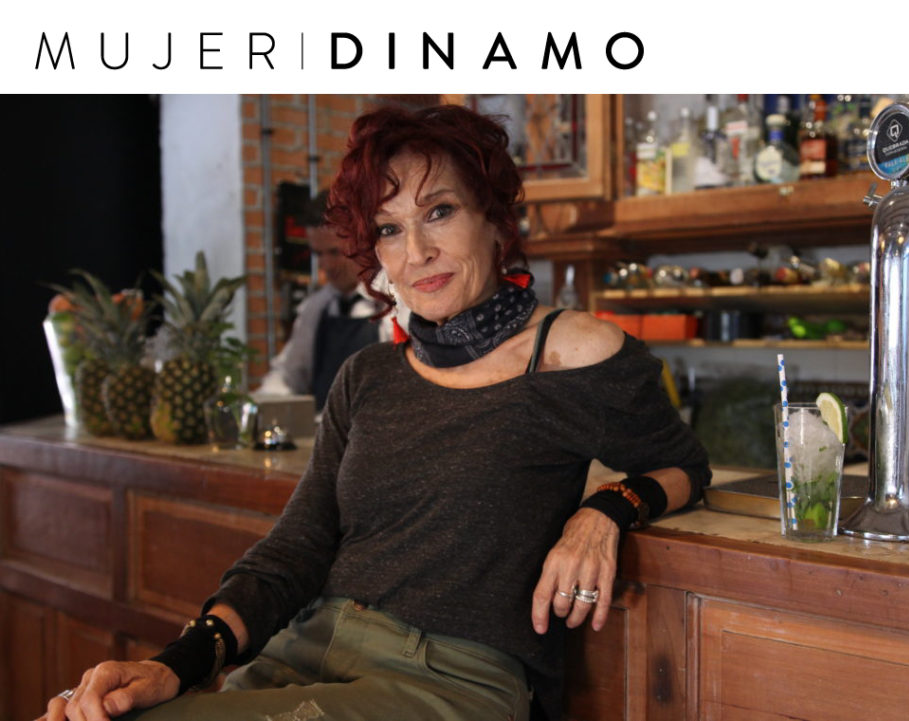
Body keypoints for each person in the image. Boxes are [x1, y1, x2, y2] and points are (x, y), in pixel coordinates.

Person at [40, 105, 711, 721]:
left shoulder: (571, 352)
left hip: (447, 679)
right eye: (390, 229)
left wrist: (606, 509)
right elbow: (296, 547)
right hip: (305, 649)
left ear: (493, 217)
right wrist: (176, 665)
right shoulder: (368, 375)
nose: (416, 252)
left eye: (439, 211)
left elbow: (684, 464)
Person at [259, 192, 386, 411]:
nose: (325, 265)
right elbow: (289, 375)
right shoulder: (316, 308)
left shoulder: (395, 304)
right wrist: (259, 405)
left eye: (335, 252)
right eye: (318, 254)